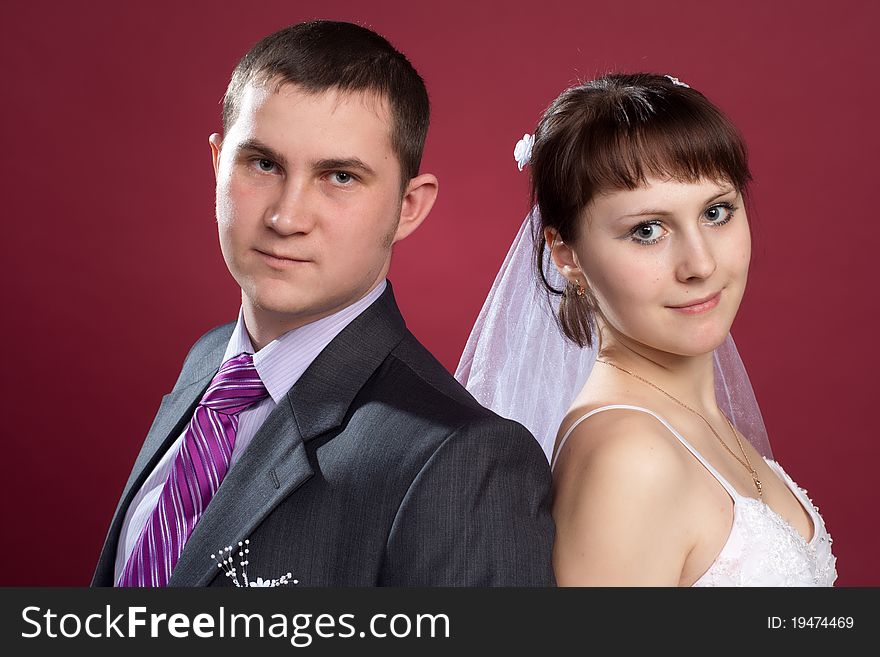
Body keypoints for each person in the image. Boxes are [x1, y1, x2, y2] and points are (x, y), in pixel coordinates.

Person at [92, 20, 554, 587]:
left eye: (339, 176)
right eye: (263, 164)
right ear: (218, 165)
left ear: (409, 207)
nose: (286, 218)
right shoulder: (209, 363)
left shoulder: (463, 461)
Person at [456, 73, 836, 586]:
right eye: (647, 231)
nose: (699, 264)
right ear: (565, 253)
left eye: (716, 212)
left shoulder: (686, 418)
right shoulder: (629, 457)